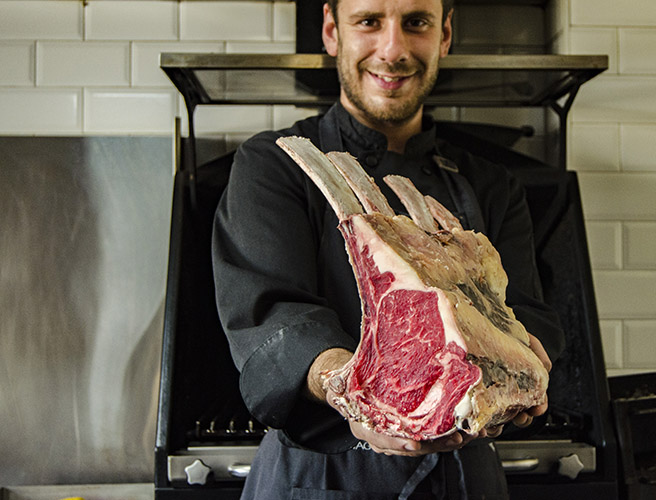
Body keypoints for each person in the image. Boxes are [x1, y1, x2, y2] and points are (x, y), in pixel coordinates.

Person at [212, 0, 565, 497]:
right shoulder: (276, 165)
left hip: (465, 480)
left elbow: (527, 313)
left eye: (416, 23)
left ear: (444, 36)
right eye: (369, 21)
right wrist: (359, 393)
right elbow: (272, 315)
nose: (393, 49)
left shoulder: (491, 183)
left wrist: (522, 370)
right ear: (333, 31)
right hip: (320, 478)